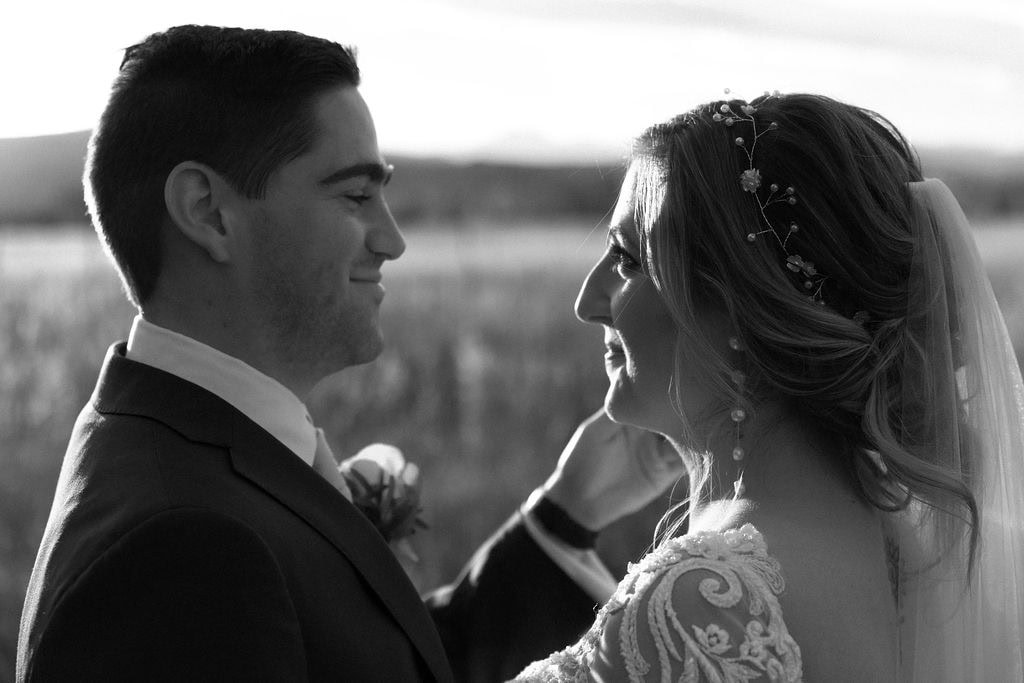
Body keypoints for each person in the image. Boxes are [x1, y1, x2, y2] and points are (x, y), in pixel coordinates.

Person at [15, 25, 685, 683]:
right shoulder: (183, 551)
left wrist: (565, 515)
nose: (392, 240)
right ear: (209, 212)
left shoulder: (186, 446)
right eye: (356, 195)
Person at [516, 92, 1024, 681]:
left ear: (738, 304)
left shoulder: (699, 600)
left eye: (629, 258)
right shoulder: (918, 558)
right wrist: (561, 516)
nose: (587, 303)